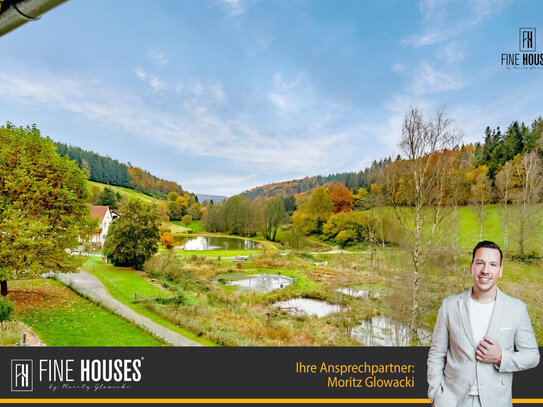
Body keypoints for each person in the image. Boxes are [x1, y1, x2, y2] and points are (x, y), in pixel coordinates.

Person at [427, 241, 539, 407]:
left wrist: (501, 357)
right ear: (471, 267)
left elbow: (532, 356)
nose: (485, 270)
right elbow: (436, 353)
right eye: (480, 263)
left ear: (500, 271)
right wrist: (436, 395)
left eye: (493, 264)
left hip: (497, 402)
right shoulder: (449, 306)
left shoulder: (517, 309)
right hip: (452, 401)